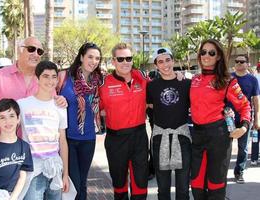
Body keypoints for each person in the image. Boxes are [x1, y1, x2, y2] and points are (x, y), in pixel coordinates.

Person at [0, 36, 67, 155]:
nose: (36, 54)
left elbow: (52, 107)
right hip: (2, 151)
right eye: (31, 49)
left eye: (39, 51)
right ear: (19, 50)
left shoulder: (45, 80)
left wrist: (60, 100)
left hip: (35, 155)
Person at [190, 39, 251, 200]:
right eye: (203, 52)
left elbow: (245, 106)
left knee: (216, 187)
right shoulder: (194, 80)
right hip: (197, 136)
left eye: (211, 53)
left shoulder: (227, 81)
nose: (206, 55)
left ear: (218, 57)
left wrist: (243, 127)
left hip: (218, 137)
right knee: (196, 186)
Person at [99, 43, 149, 200]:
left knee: (140, 184)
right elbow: (93, 107)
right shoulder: (103, 84)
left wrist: (180, 78)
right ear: (113, 61)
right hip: (116, 140)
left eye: (128, 58)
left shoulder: (142, 79)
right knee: (119, 185)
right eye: (120, 59)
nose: (125, 62)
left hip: (139, 137)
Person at [58, 42, 102, 200]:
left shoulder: (98, 81)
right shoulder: (64, 77)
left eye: (97, 58)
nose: (94, 61)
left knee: (82, 182)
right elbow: (47, 94)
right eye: (90, 56)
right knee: (73, 182)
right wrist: (57, 98)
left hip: (89, 138)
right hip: (68, 139)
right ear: (82, 57)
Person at [19, 61, 69, 199]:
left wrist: (65, 174)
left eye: (54, 76)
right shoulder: (22, 105)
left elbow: (63, 142)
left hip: (55, 170)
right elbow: (8, 132)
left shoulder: (60, 106)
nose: (50, 80)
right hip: (32, 171)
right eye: (46, 76)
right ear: (37, 79)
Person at [147, 47, 191, 200]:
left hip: (182, 138)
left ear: (173, 61)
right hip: (160, 138)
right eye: (160, 61)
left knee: (183, 187)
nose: (165, 64)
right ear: (156, 65)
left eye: (168, 60)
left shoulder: (186, 84)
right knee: (163, 188)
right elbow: (149, 105)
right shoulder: (151, 86)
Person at [230, 54, 260, 183]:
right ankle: (219, 174)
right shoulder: (229, 78)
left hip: (245, 118)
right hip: (228, 118)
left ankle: (239, 172)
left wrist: (257, 118)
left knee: (243, 147)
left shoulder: (252, 80)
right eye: (236, 61)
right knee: (225, 147)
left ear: (247, 64)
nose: (239, 63)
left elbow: (256, 100)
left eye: (242, 61)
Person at [251, 64, 260, 166]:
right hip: (257, 109)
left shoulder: (255, 78)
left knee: (255, 135)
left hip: (256, 109)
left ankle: (254, 158)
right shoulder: (255, 79)